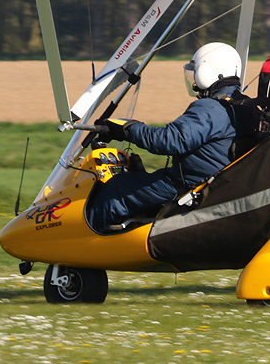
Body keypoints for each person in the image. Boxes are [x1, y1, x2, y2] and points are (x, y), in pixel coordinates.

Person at [88, 42, 257, 230]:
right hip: (215, 185)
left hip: (189, 187)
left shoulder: (211, 108)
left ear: (208, 71)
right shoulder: (246, 105)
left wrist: (128, 129)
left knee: (117, 188)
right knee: (141, 178)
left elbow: (170, 140)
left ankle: (89, 248)